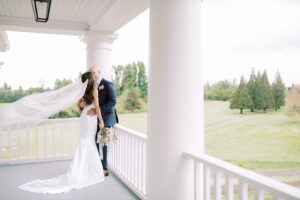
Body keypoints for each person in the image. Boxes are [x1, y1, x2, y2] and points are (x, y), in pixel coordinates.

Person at [18, 72, 106, 194]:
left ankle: (83, 169)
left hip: (85, 116)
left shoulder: (85, 92)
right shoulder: (94, 90)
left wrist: (86, 107)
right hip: (90, 119)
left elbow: (80, 105)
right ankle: (87, 171)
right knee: (88, 141)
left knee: (85, 141)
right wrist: (101, 122)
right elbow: (97, 107)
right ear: (91, 80)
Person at [87, 66, 119, 177]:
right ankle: (97, 164)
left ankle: (104, 167)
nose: (92, 74)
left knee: (104, 142)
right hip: (96, 119)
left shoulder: (107, 84)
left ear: (99, 72)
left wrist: (97, 110)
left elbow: (112, 102)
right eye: (90, 72)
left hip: (106, 119)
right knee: (95, 141)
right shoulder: (92, 86)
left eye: (94, 72)